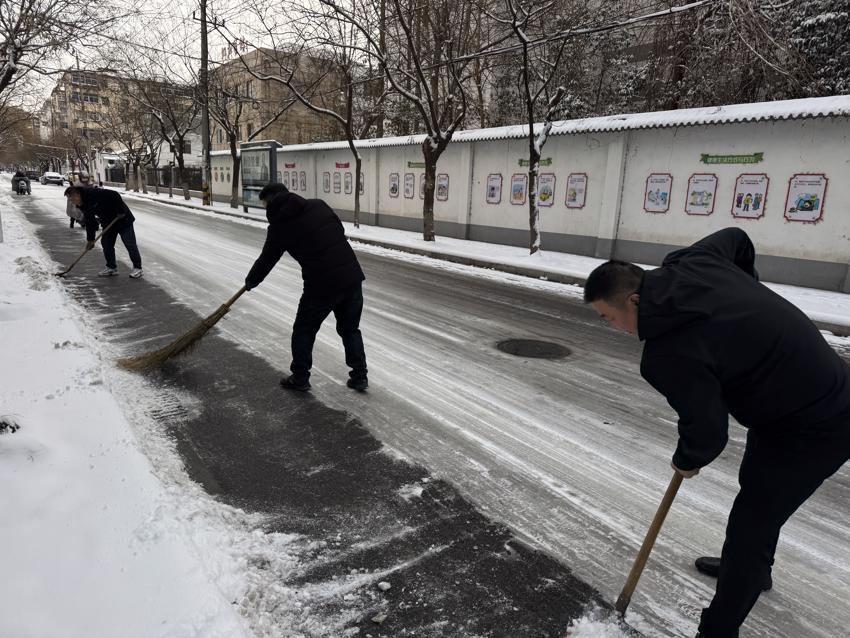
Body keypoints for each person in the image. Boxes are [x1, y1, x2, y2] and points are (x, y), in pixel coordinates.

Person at [583, 228, 850, 638]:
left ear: (634, 299)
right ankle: (753, 571)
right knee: (757, 491)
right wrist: (747, 295)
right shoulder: (693, 262)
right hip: (792, 400)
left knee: (750, 526)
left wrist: (685, 459)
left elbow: (708, 434)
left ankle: (718, 630)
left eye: (608, 316)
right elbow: (736, 238)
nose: (610, 326)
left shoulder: (667, 354)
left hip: (820, 424)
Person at [244, 182, 368, 392]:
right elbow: (338, 229)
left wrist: (251, 281)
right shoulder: (318, 205)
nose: (265, 209)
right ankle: (359, 376)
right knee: (350, 329)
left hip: (321, 284)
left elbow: (267, 259)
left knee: (304, 329)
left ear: (271, 201)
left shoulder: (280, 226)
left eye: (265, 204)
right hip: (351, 276)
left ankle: (300, 377)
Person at [64, 186, 143, 278]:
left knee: (129, 243)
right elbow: (90, 222)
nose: (71, 202)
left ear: (77, 194)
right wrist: (90, 240)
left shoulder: (93, 193)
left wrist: (120, 210)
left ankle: (138, 268)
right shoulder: (83, 205)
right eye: (69, 199)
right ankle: (111, 268)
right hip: (108, 221)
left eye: (72, 199)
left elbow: (114, 194)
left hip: (123, 218)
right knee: (106, 244)